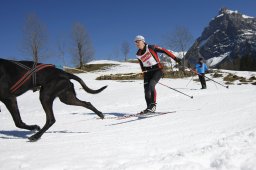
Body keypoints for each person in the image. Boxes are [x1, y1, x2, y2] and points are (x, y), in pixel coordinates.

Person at [134, 35, 181, 114]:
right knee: (146, 90)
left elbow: (164, 51)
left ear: (143, 41)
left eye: (138, 41)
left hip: (157, 70)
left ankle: (153, 106)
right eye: (135, 42)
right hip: (147, 72)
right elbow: (141, 64)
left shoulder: (151, 47)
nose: (136, 44)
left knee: (151, 85)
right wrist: (143, 71)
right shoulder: (138, 54)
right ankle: (149, 107)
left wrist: (175, 58)